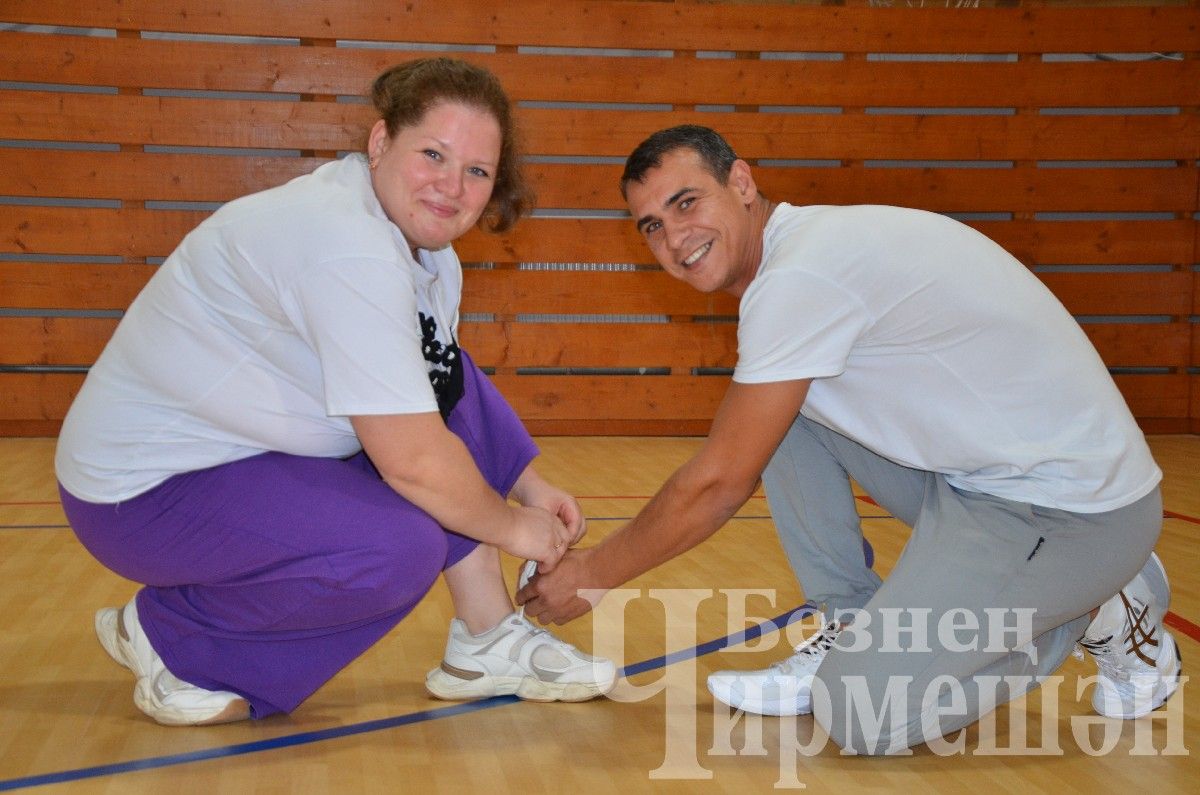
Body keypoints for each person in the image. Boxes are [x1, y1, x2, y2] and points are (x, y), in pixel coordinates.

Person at [517, 124, 1181, 755]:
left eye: (686, 202)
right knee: (779, 413)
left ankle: (1097, 606)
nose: (673, 236)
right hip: (984, 483)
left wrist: (593, 575)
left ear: (741, 182)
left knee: (861, 712)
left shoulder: (800, 275)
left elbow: (719, 483)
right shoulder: (798, 259)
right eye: (653, 226)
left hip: (1074, 516)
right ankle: (848, 621)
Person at [55, 58, 615, 727]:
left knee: (430, 400)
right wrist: (513, 526)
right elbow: (412, 460)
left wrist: (528, 483)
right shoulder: (347, 245)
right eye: (432, 153)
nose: (451, 185)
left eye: (477, 171)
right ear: (380, 143)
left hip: (241, 456)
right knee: (395, 546)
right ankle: (172, 634)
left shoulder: (424, 251)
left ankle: (487, 639)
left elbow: (444, 383)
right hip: (140, 493)